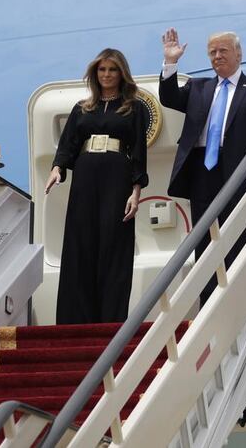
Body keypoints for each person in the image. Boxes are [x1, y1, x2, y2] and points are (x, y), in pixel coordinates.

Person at [159, 28, 246, 303]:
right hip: (203, 172)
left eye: (223, 50)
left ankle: (241, 302)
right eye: (212, 52)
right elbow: (169, 98)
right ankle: (207, 306)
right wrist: (171, 62)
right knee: (205, 242)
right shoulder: (198, 87)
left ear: (238, 54)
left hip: (241, 174)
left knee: (240, 237)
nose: (217, 56)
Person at [45, 48, 149, 324]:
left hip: (117, 175)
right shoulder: (82, 108)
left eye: (112, 69)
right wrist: (57, 169)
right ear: (95, 73)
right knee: (81, 243)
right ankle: (75, 321)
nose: (106, 75)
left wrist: (135, 192)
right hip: (85, 175)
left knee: (113, 244)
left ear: (121, 73)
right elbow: (67, 145)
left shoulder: (135, 108)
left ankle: (111, 320)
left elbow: (139, 152)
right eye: (102, 70)